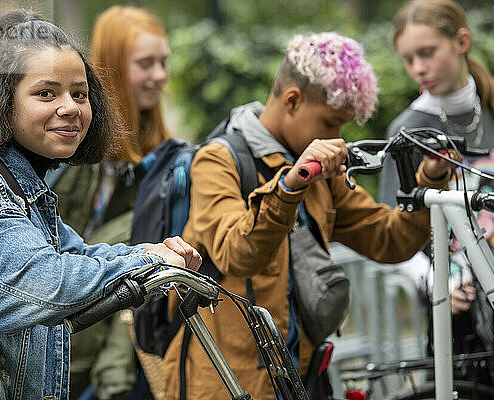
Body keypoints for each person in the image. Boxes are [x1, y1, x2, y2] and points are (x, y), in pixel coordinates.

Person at [0, 9, 201, 400]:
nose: (71, 107)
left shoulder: (22, 184)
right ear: (2, 101)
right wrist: (151, 263)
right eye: (46, 93)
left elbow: (76, 252)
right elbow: (50, 279)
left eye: (80, 93)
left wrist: (153, 251)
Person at [162, 31, 452, 400]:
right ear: (293, 100)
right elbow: (238, 253)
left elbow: (390, 240)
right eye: (331, 123)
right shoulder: (218, 161)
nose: (338, 137)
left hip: (302, 378)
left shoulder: (317, 172)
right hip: (223, 384)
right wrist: (290, 184)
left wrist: (429, 179)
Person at [45, 6, 172, 399]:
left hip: (123, 359)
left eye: (164, 62)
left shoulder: (166, 158)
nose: (160, 76)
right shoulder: (64, 148)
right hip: (60, 340)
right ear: (114, 67)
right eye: (145, 63)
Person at [379, 0, 494, 391]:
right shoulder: (408, 130)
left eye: (427, 53)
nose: (418, 67)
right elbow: (389, 230)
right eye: (408, 58)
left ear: (462, 41)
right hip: (456, 303)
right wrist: (436, 281)